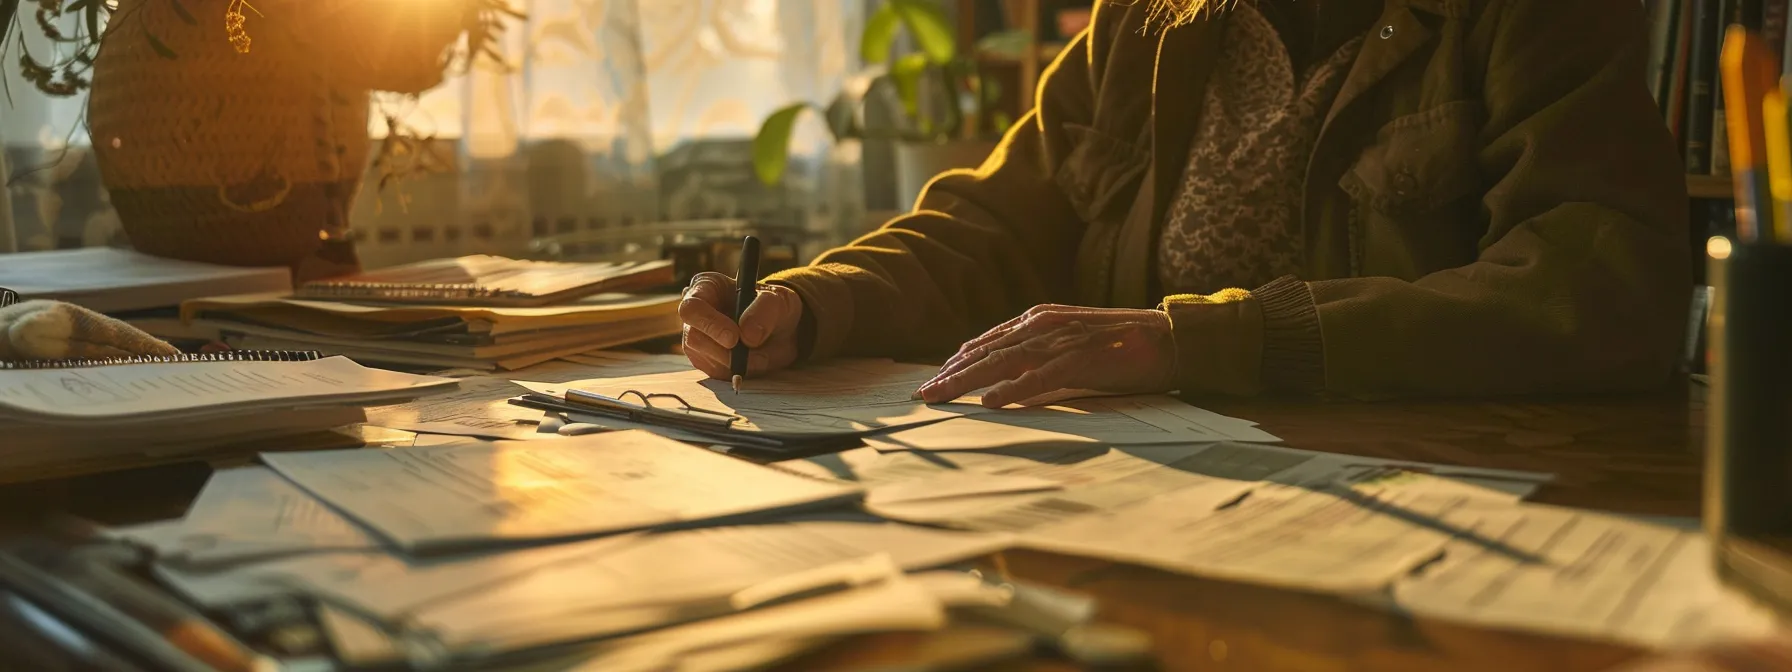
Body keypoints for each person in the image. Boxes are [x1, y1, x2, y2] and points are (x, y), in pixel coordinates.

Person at [679, 0, 1689, 407]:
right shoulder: (1146, 22)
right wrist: (818, 302)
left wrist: (1195, 340)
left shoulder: (1524, 14)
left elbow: (1596, 286)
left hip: (1426, 506)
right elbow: (995, 221)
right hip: (1153, 490)